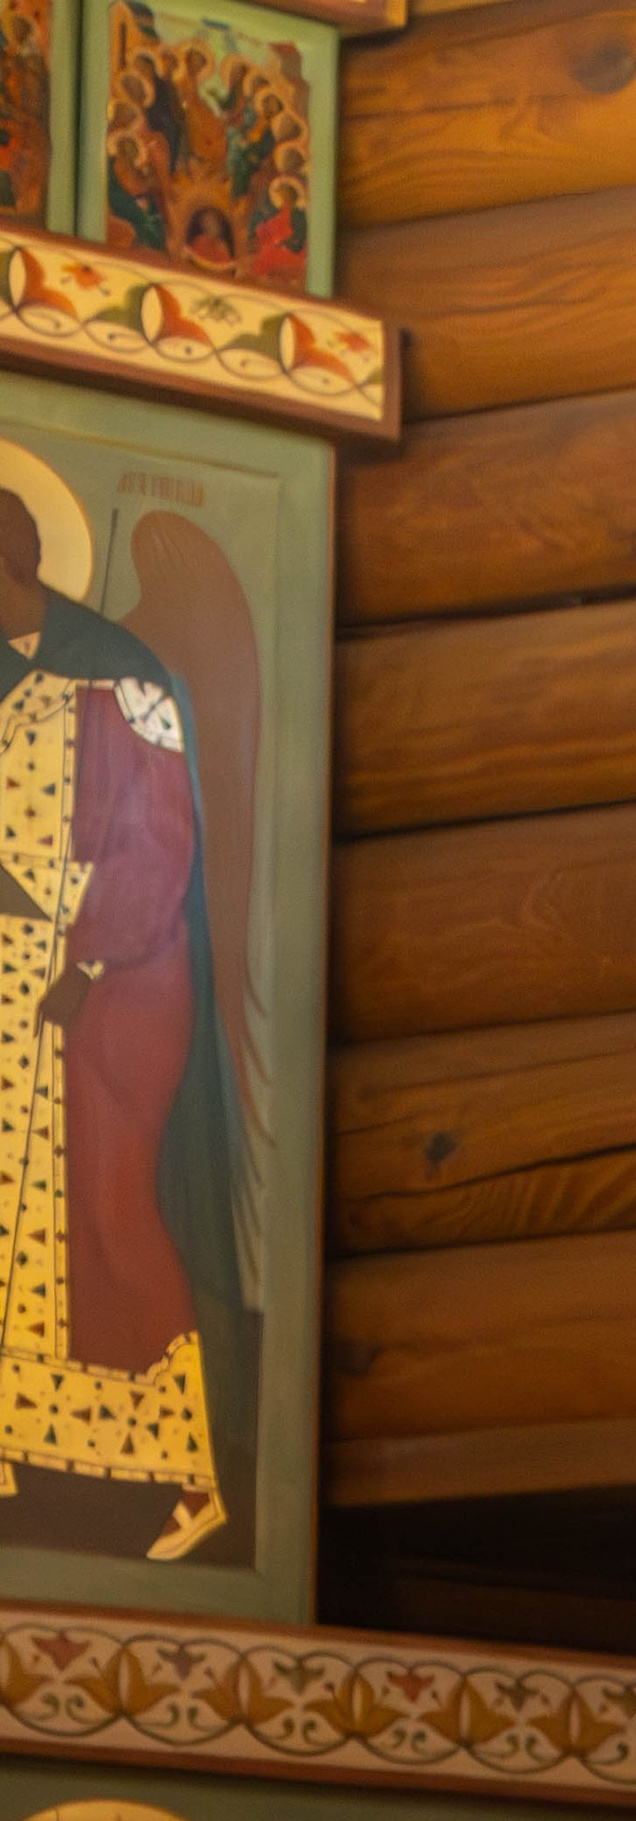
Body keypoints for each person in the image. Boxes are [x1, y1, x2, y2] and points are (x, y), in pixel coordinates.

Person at [0, 482, 236, 1560]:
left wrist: (83, 961)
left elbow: (160, 846)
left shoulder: (123, 677)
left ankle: (190, 1476)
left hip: (114, 979)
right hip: (16, 974)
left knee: (104, 1210)